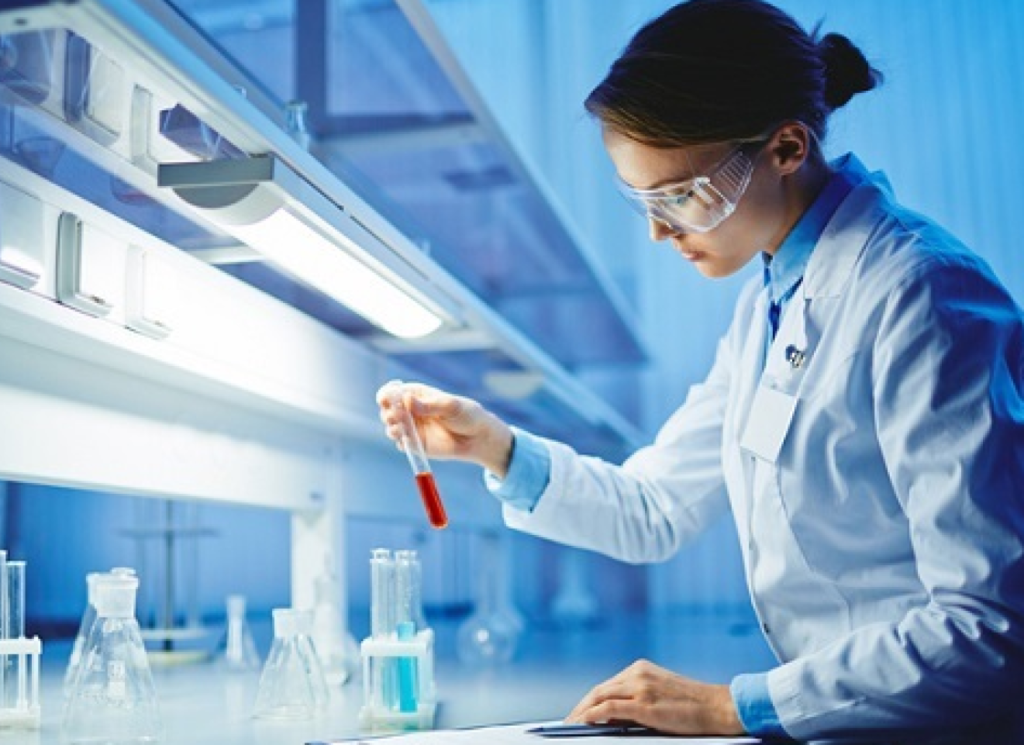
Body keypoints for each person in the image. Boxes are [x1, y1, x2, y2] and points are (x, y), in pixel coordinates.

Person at [377, 0, 1024, 741]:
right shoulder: (768, 306)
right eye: (642, 199)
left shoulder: (922, 293)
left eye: (683, 195)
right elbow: (656, 507)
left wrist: (729, 706)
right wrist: (497, 446)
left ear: (786, 147)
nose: (658, 230)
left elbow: (988, 629)